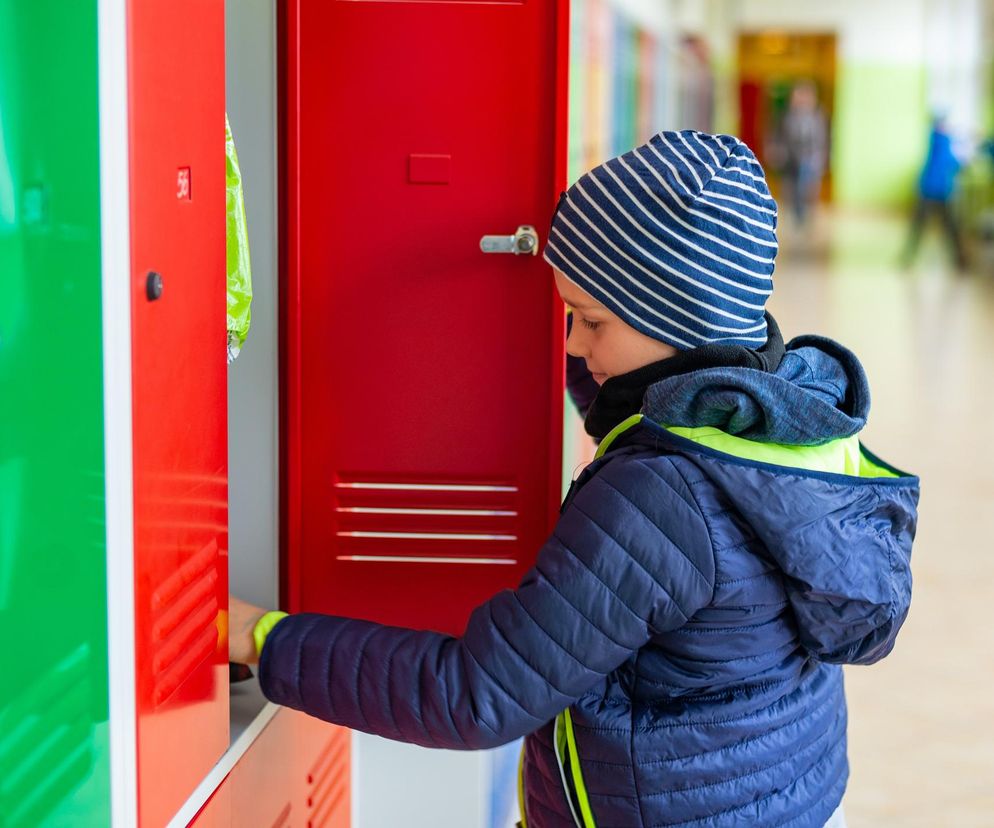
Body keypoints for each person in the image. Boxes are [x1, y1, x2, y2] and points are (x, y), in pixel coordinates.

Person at [230, 131, 918, 828]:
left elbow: (476, 695)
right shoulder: (782, 412)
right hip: (774, 793)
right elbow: (642, 414)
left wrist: (261, 636)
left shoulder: (657, 498)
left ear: (679, 324)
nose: (570, 344)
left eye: (591, 321)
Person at [903, 114, 968, 270]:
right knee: (948, 226)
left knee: (921, 225)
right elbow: (953, 163)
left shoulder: (935, 138)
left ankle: (907, 257)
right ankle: (960, 260)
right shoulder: (942, 141)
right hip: (938, 191)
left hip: (928, 189)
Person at [777, 80, 828, 228]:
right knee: (792, 191)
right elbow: (782, 137)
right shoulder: (787, 116)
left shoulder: (818, 116)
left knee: (809, 190)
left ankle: (807, 220)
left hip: (811, 160)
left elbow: (822, 139)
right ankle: (795, 220)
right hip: (792, 160)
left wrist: (820, 158)